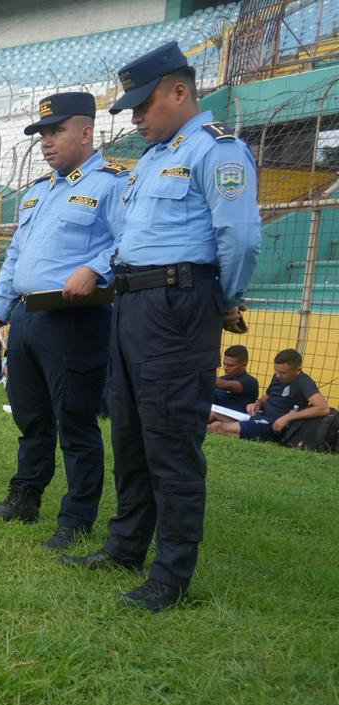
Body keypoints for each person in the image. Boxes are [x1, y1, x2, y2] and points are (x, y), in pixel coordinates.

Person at [61, 42, 262, 611]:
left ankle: (171, 576)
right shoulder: (150, 159)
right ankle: (126, 546)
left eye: (142, 105)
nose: (134, 118)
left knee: (171, 441)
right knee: (129, 433)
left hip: (178, 303)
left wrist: (224, 299)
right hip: (132, 303)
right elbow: (129, 239)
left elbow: (240, 237)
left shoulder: (218, 151)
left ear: (179, 91)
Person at [0, 92, 127, 551]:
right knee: (31, 418)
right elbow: (17, 255)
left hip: (76, 319)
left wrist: (96, 268)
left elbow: (133, 241)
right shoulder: (38, 191)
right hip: (27, 317)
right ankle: (24, 498)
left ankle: (76, 519)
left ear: (86, 132)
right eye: (42, 133)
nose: (46, 141)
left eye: (56, 131)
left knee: (75, 422)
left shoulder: (112, 184)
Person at [207, 349, 327, 441]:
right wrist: (257, 404)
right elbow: (266, 398)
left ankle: (195, 434)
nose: (278, 375)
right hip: (259, 417)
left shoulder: (304, 382)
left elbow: (323, 408)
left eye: (283, 372)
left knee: (217, 427)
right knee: (212, 414)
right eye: (276, 371)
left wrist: (287, 417)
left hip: (273, 425)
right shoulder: (278, 377)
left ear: (297, 369)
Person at [208, 344, 260, 421]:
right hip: (214, 413)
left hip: (235, 420)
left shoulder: (251, 382)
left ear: (244, 365)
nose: (225, 368)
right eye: (224, 364)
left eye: (230, 365)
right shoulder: (221, 379)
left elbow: (222, 384)